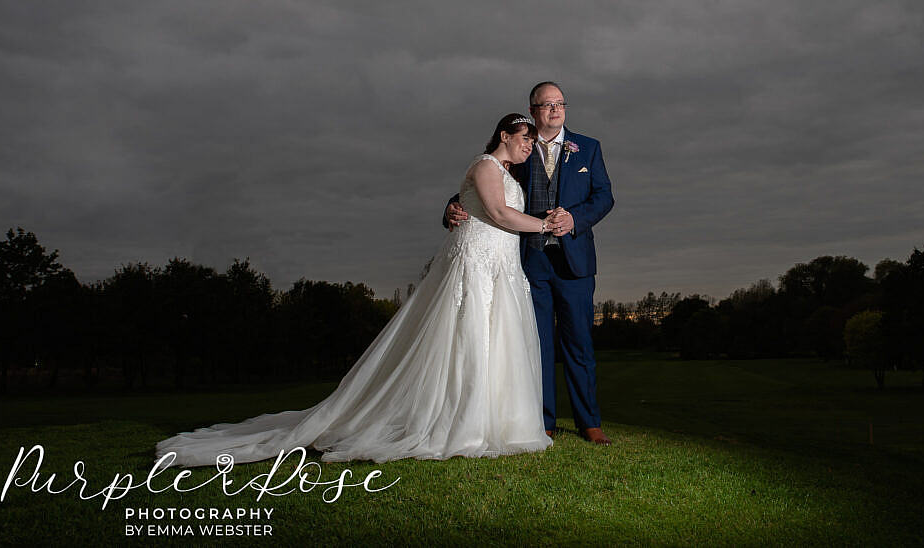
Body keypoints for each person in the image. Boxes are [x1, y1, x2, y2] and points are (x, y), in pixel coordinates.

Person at [155, 114, 557, 466]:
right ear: (504, 135)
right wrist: (545, 225)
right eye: (524, 138)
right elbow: (499, 212)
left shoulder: (507, 174)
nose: (528, 146)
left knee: (495, 341)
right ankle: (460, 421)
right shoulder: (486, 165)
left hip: (501, 267)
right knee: (467, 339)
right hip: (477, 265)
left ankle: (495, 420)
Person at [445, 82, 614, 445]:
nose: (555, 110)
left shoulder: (588, 148)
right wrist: (450, 206)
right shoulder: (519, 147)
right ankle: (542, 420)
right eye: (546, 104)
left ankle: (589, 422)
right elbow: (484, 181)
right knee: (534, 345)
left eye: (560, 103)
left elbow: (604, 197)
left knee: (580, 343)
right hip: (528, 262)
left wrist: (576, 220)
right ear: (533, 110)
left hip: (576, 263)